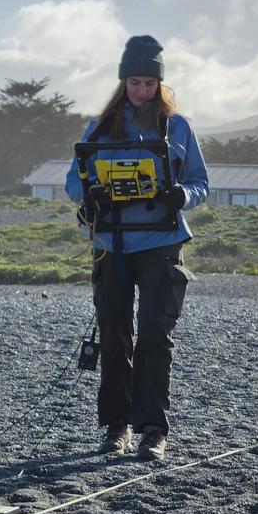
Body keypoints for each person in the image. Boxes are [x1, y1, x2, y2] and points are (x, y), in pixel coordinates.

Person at [65, 35, 208, 461]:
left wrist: (180, 196)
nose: (141, 90)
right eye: (134, 82)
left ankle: (153, 431)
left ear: (159, 84)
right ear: (123, 82)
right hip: (112, 243)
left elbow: (202, 182)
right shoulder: (99, 125)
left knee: (153, 335)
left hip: (163, 243)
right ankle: (116, 427)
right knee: (114, 335)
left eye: (149, 83)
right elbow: (75, 180)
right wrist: (88, 196)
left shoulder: (178, 127)